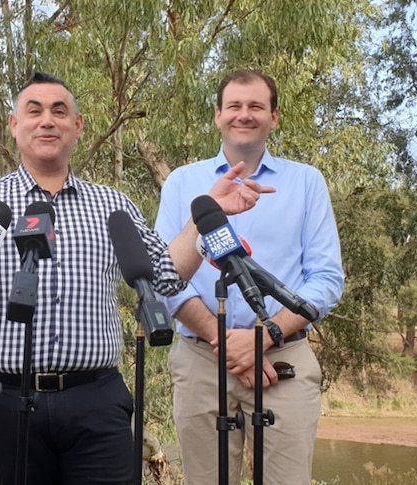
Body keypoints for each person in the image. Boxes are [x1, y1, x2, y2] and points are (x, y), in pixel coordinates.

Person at [0, 71, 272, 484]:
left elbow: (166, 276)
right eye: (34, 110)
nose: (47, 121)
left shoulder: (112, 205)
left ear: (77, 126)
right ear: (14, 125)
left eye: (60, 112)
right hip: (4, 401)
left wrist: (204, 219)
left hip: (97, 402)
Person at [154, 69, 345, 485]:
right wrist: (226, 343)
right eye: (235, 106)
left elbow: (327, 279)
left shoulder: (307, 182)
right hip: (202, 361)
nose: (245, 114)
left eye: (256, 106)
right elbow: (164, 277)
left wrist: (264, 335)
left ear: (274, 117)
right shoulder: (182, 182)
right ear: (218, 115)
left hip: (284, 360)